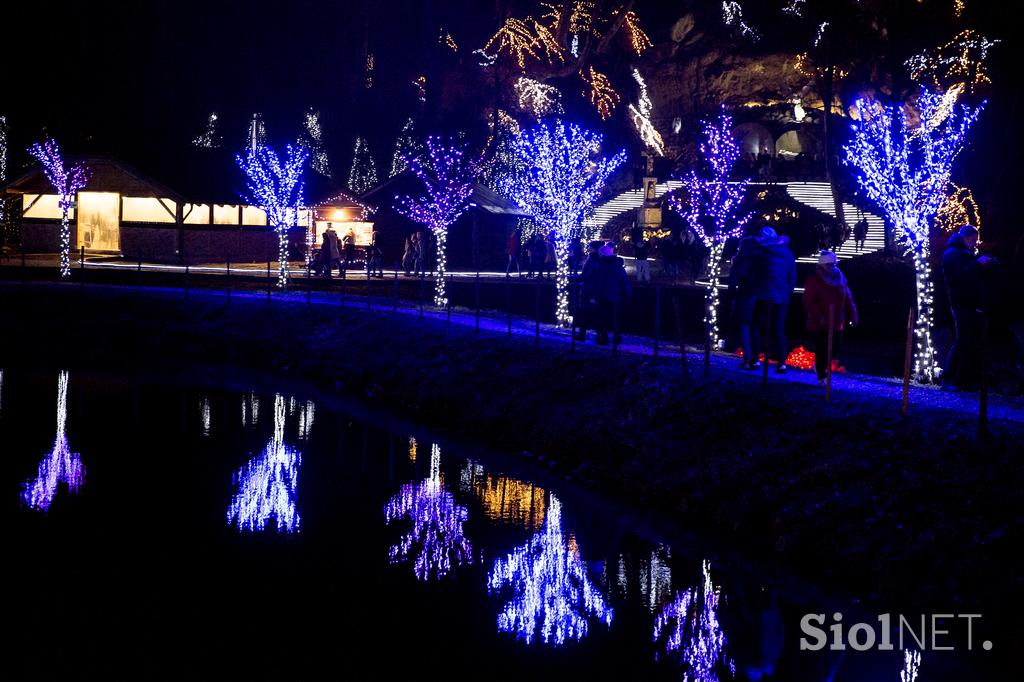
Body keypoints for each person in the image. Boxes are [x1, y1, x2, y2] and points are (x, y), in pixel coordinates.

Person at [942, 224, 994, 391]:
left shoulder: (963, 253)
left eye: (975, 240)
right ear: (964, 238)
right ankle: (950, 379)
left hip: (968, 303)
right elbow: (961, 275)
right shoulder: (952, 254)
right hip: (960, 302)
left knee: (966, 341)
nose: (974, 243)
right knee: (962, 341)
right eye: (971, 240)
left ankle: (961, 379)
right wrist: (979, 264)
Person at [803, 250, 858, 384]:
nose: (832, 267)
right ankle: (822, 376)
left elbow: (848, 298)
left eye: (834, 264)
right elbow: (808, 301)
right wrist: (820, 315)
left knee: (835, 348)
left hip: (837, 321)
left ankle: (822, 368)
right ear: (821, 265)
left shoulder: (840, 278)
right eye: (829, 264)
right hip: (819, 323)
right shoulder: (814, 280)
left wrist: (853, 314)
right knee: (821, 349)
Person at [751, 226, 796, 372]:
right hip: (781, 296)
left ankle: (756, 359)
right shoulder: (787, 253)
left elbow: (756, 274)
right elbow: (792, 276)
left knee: (757, 326)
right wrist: (787, 294)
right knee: (779, 328)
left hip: (764, 294)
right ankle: (782, 362)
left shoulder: (761, 252)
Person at [590, 244, 632, 345]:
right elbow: (624, 281)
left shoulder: (599, 267)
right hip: (616, 296)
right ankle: (616, 337)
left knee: (602, 318)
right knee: (615, 317)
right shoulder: (618, 267)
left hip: (602, 296)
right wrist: (628, 293)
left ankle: (603, 338)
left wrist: (593, 295)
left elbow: (596, 283)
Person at [574, 241, 602, 342]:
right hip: (589, 289)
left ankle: (599, 336)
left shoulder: (594, 259)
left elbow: (590, 275)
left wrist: (580, 278)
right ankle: (584, 334)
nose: (588, 247)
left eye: (590, 246)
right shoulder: (593, 258)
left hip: (590, 290)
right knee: (588, 313)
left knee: (592, 313)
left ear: (594, 248)